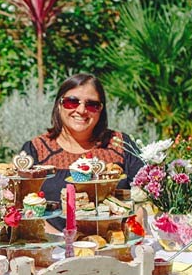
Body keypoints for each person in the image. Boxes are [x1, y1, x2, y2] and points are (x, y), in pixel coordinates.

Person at [20, 73, 144, 231]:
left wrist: (133, 226)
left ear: (101, 110)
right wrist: (57, 240)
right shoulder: (36, 149)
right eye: (72, 102)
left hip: (116, 245)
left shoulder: (120, 144)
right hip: (55, 247)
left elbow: (146, 195)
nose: (81, 110)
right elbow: (20, 205)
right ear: (59, 104)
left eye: (92, 105)